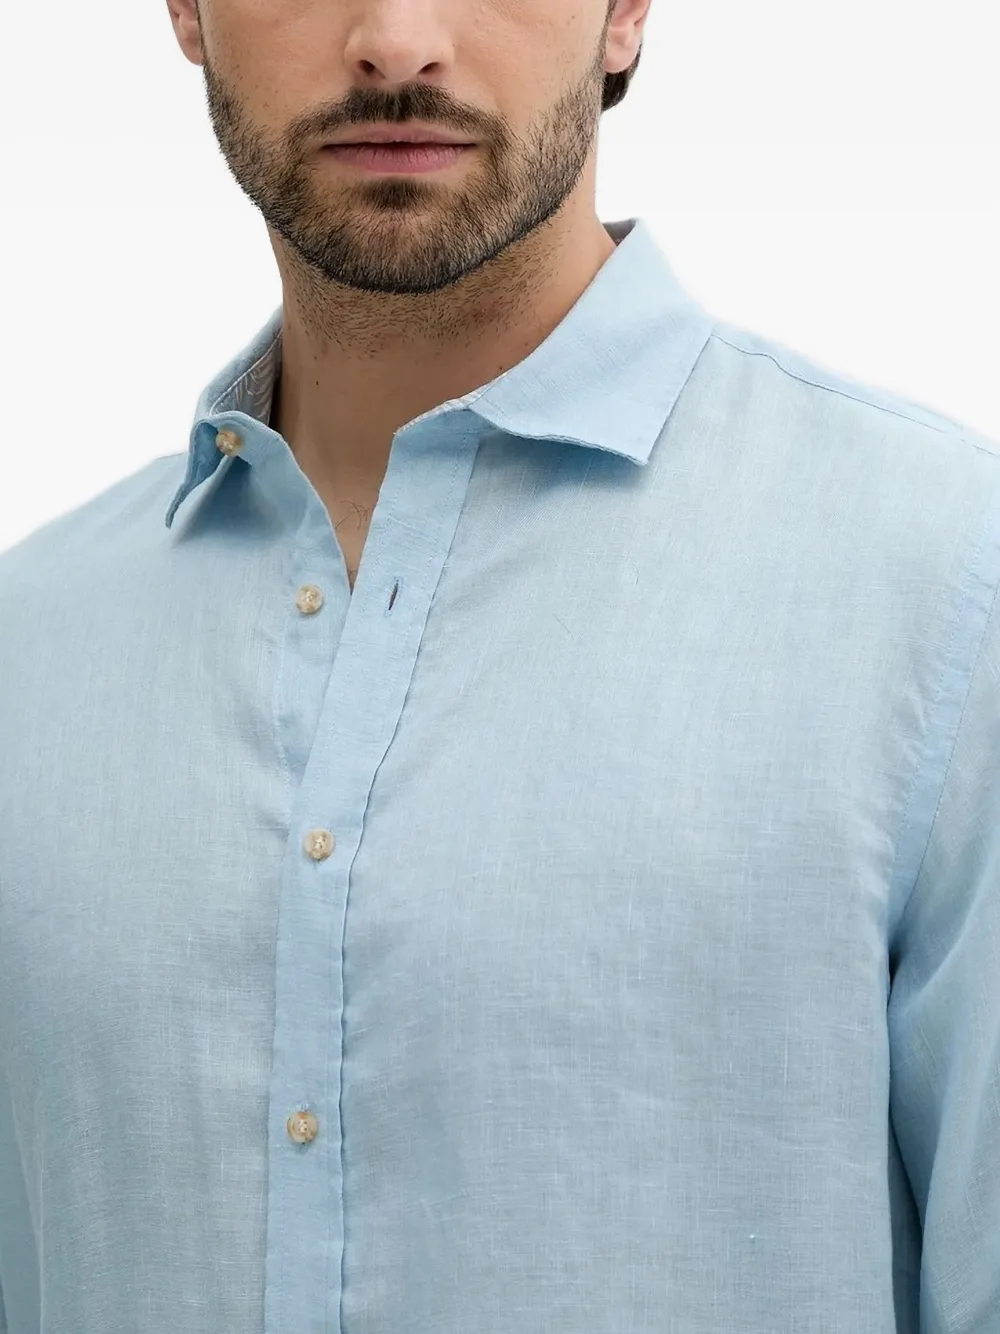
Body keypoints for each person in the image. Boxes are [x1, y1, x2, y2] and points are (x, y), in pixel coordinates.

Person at [0, 0, 997, 1330]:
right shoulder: (29, 650)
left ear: (626, 11)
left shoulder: (944, 585)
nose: (397, 40)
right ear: (186, 10)